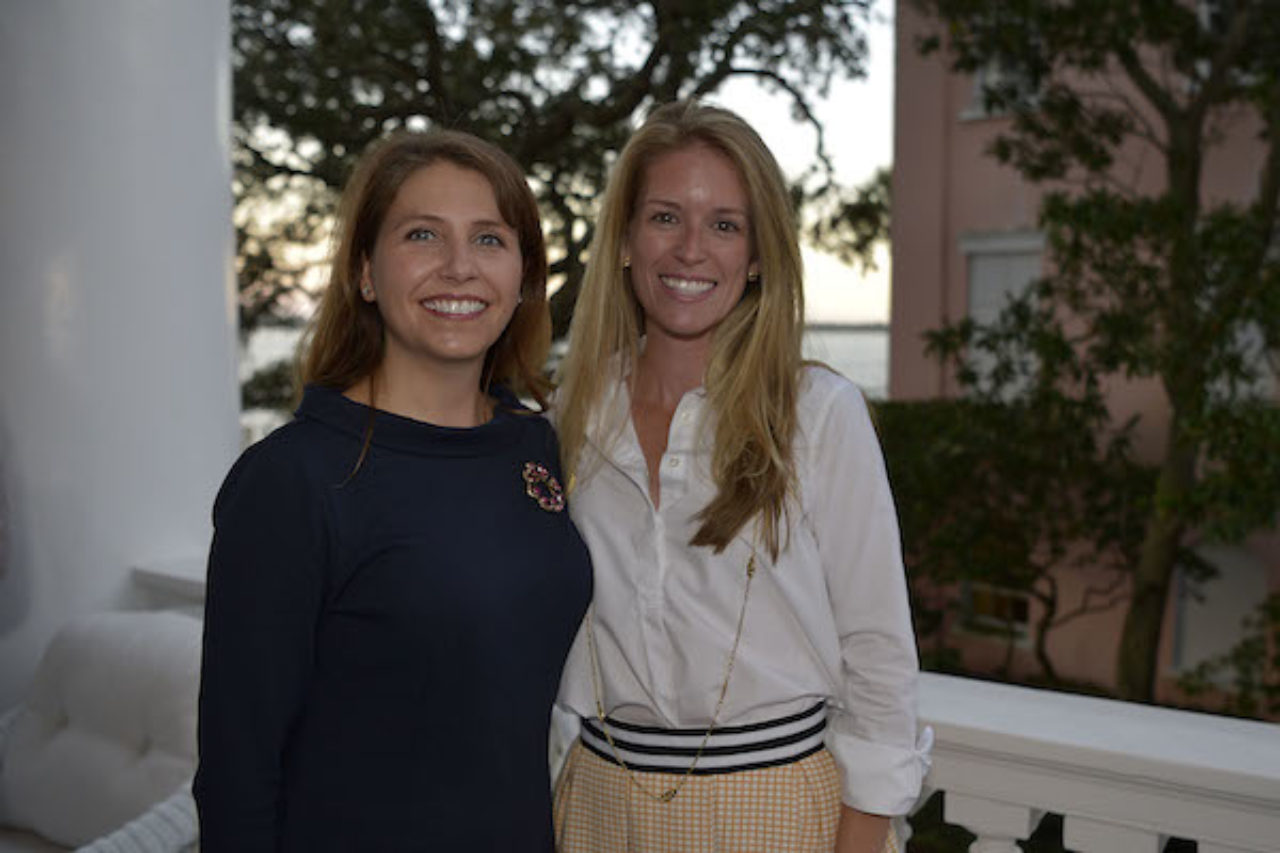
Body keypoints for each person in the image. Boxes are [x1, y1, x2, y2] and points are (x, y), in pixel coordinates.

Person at [194, 130, 592, 852]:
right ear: (364, 273)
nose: (460, 267)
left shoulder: (536, 447)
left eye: (490, 240)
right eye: (421, 235)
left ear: (526, 276)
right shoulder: (295, 479)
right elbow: (235, 772)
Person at [551, 101, 930, 852]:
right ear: (625, 240)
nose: (692, 249)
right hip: (596, 802)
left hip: (777, 806)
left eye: (724, 225)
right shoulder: (571, 409)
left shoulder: (818, 413)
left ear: (757, 255)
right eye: (665, 217)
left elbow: (878, 652)